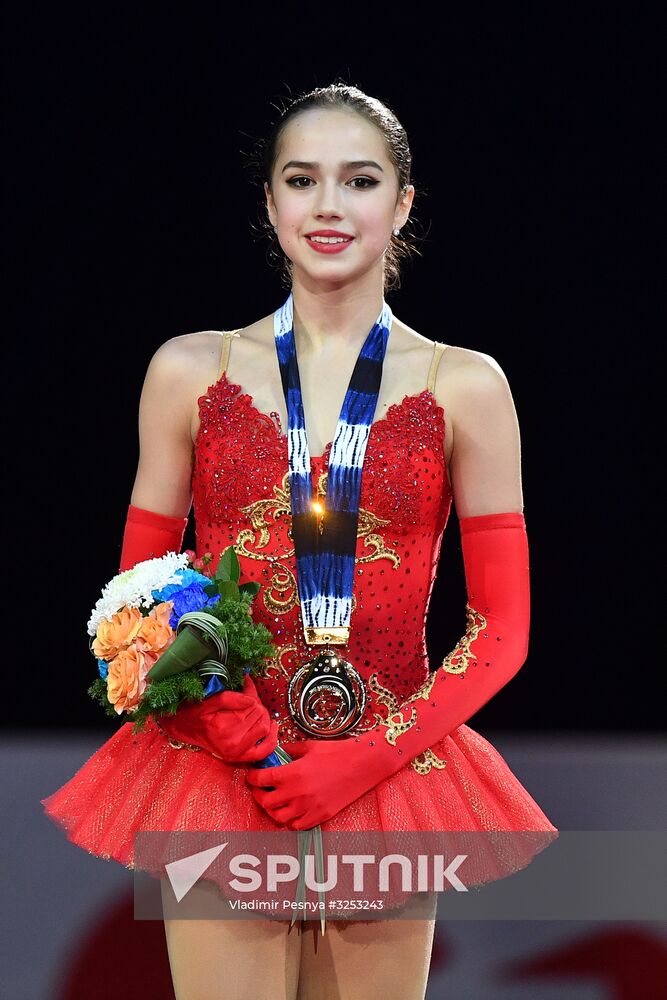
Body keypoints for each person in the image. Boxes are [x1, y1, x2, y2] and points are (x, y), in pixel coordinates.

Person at [42, 83, 558, 999]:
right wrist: (222, 721)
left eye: (358, 180)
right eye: (300, 179)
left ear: (401, 202)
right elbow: (135, 598)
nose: (328, 206)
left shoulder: (466, 387)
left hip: (385, 777)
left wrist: (368, 757)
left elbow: (503, 629)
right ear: (269, 200)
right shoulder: (189, 370)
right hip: (220, 772)